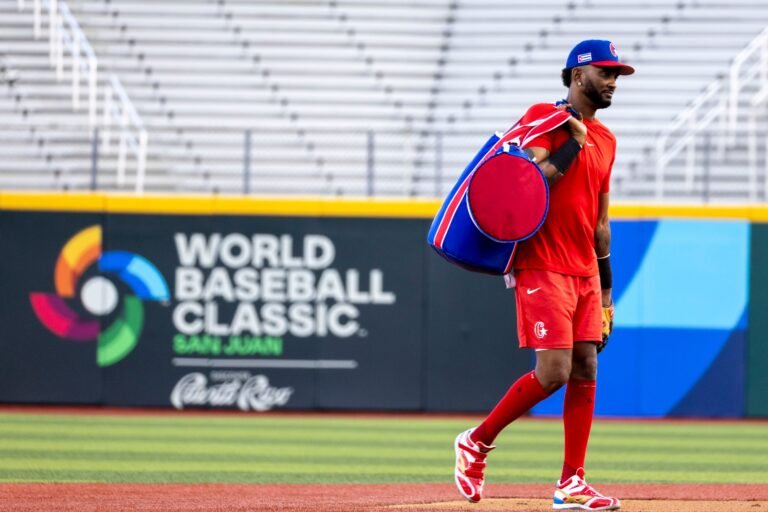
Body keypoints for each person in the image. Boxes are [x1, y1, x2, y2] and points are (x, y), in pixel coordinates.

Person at [453, 39, 634, 511]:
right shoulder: (547, 117)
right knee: (553, 372)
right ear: (578, 75)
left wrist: (608, 291)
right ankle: (476, 441)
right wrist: (571, 146)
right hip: (542, 262)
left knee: (586, 366)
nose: (613, 81)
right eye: (606, 72)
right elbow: (524, 184)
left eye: (617, 74)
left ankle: (572, 482)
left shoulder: (609, 139)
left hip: (584, 271)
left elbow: (600, 222)